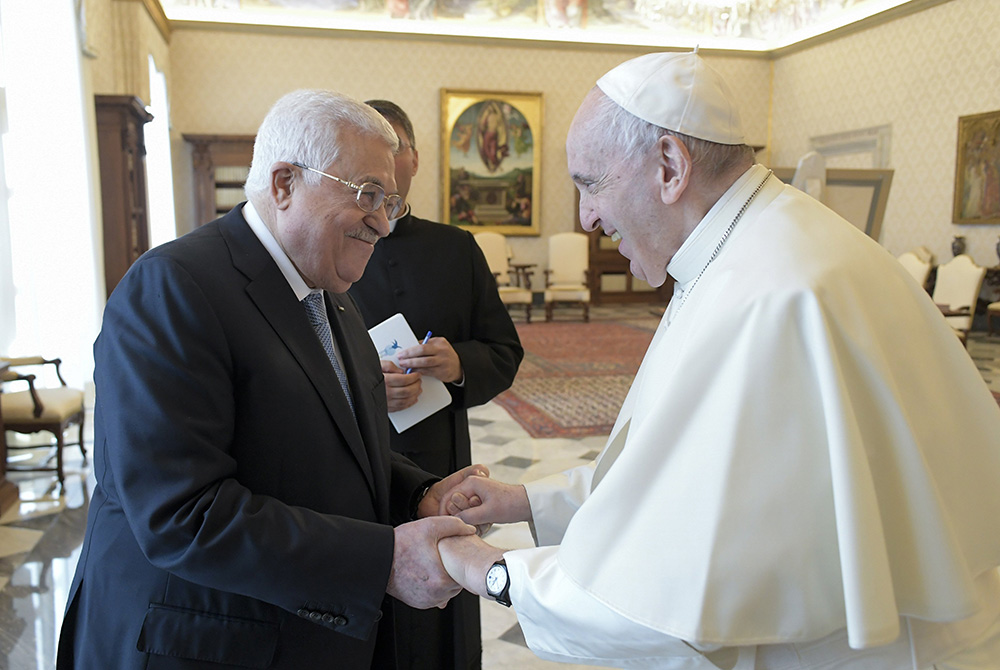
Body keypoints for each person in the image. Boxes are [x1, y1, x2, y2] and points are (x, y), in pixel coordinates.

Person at [435, 51, 1000, 669]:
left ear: (671, 166)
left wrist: (490, 571)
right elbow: (684, 480)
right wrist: (526, 500)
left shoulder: (766, 295)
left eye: (591, 185)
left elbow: (667, 599)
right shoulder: (761, 246)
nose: (586, 219)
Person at [57, 89, 487, 670]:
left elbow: (332, 446)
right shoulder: (173, 288)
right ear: (284, 184)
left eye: (391, 201)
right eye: (367, 195)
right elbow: (183, 515)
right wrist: (381, 560)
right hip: (202, 644)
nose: (384, 223)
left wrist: (416, 491)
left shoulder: (330, 295)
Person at [349, 99, 523, 670]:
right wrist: (366, 385)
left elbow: (504, 350)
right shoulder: (329, 246)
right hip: (354, 461)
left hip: (435, 455)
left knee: (438, 616)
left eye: (394, 150)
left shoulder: (456, 248)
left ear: (414, 160)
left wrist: (460, 363)